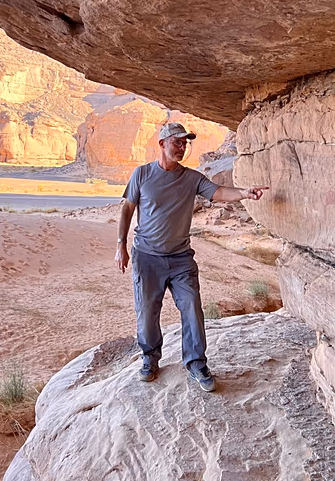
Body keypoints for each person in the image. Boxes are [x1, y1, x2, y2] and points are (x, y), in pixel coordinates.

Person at [115, 122, 268, 392]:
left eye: (185, 143)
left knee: (192, 307)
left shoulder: (192, 178)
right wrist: (121, 245)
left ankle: (196, 363)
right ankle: (150, 358)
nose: (182, 147)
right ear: (162, 144)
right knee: (147, 311)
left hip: (180, 259)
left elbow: (219, 192)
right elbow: (127, 209)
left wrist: (244, 193)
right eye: (177, 142)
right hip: (147, 257)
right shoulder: (142, 174)